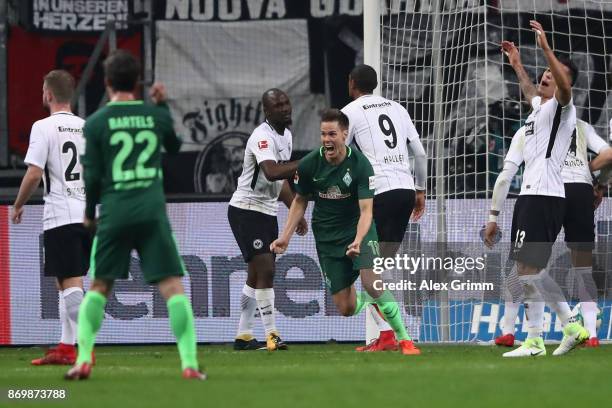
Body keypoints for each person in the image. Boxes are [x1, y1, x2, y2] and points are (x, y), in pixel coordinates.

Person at [64, 50, 204, 380]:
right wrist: (163, 106)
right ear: (138, 82)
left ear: (108, 82)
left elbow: (93, 176)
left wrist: (89, 214)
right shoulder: (153, 115)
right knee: (172, 287)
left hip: (114, 212)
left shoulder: (96, 123)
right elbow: (173, 146)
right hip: (152, 211)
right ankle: (188, 364)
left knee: (99, 286)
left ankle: (83, 358)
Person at [271, 108, 420, 356]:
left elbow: (366, 212)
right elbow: (299, 200)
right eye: (323, 134)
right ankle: (373, 303)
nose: (327, 140)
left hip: (358, 230)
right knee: (346, 308)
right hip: (327, 238)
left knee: (371, 281)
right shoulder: (309, 164)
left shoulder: (361, 165)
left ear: (344, 134)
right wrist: (285, 236)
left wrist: (359, 240)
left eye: (332, 134)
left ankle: (405, 340)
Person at [484, 20, 588, 357]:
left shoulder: (563, 107)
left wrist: (545, 47)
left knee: (529, 270)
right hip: (531, 196)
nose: (545, 76)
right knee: (528, 271)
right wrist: (517, 64)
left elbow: (561, 86)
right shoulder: (539, 108)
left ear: (562, 84)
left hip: (544, 196)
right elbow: (530, 92)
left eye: (551, 74)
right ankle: (540, 337)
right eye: (544, 72)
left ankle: (559, 329)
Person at [494, 120, 611, 349]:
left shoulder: (534, 125)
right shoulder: (581, 126)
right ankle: (592, 334)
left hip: (547, 191)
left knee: (525, 261)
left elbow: (508, 172)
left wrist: (492, 216)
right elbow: (608, 155)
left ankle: (510, 330)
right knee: (582, 267)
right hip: (580, 190)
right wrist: (598, 181)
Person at [341, 64, 427, 351]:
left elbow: (340, 153)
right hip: (404, 191)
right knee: (378, 269)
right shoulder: (398, 108)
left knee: (368, 273)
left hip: (376, 194)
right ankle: (386, 333)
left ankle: (397, 335)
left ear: (352, 83)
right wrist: (420, 189)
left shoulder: (350, 112)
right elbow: (420, 153)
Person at [12, 70, 90, 366]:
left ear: (47, 94)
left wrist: (18, 204)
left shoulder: (43, 127)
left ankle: (85, 346)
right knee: (68, 283)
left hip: (61, 213)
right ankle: (67, 347)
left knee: (68, 283)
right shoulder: (87, 128)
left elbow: (34, 172)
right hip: (87, 213)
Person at [228, 89, 307, 351]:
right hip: (246, 210)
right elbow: (272, 172)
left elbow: (282, 180)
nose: (285, 108)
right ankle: (272, 335)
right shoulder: (261, 136)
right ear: (267, 111)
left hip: (267, 211)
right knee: (267, 271)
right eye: (278, 105)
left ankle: (244, 335)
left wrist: (295, 209)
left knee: (256, 275)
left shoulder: (286, 135)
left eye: (286, 103)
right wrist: (307, 162)